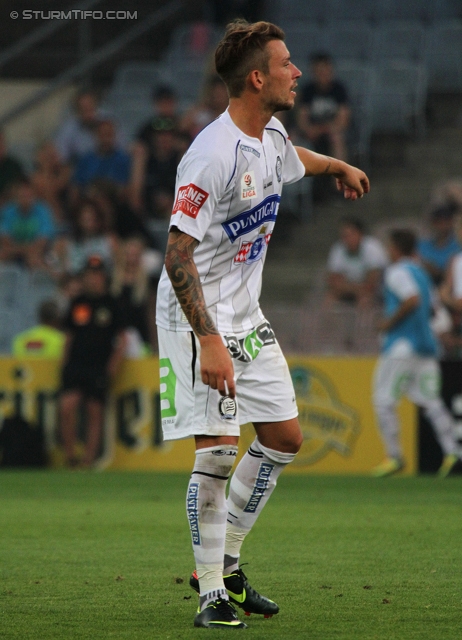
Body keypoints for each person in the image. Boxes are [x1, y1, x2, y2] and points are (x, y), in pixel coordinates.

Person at [156, 19, 369, 630]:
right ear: (257, 77)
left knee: (284, 439)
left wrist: (334, 166)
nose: (296, 71)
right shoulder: (210, 153)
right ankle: (211, 595)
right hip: (195, 319)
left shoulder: (269, 133)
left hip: (245, 316)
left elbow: (289, 158)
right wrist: (208, 341)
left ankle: (225, 564)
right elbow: (177, 254)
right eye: (285, 63)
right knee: (220, 453)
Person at [372, 229, 461, 479]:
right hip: (427, 347)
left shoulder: (397, 271)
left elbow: (412, 300)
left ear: (396, 248)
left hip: (402, 346)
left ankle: (394, 456)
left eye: (389, 247)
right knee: (430, 401)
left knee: (383, 399)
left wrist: (388, 323)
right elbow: (436, 312)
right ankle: (453, 452)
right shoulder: (422, 273)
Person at [59, 256, 127, 468]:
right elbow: (69, 335)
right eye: (89, 275)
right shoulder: (77, 303)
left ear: (103, 277)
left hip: (98, 365)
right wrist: (64, 362)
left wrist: (112, 366)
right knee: (66, 406)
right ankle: (71, 457)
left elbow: (122, 339)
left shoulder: (112, 303)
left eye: (96, 275)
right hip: (77, 364)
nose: (92, 279)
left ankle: (88, 460)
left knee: (94, 411)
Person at [325, 216, 388, 307]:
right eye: (343, 236)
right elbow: (333, 281)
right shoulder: (338, 248)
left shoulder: (373, 247)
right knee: (329, 299)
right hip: (353, 290)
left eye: (349, 235)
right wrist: (355, 289)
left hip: (376, 292)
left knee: (364, 300)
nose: (346, 239)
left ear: (360, 234)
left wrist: (347, 286)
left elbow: (372, 283)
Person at [0, 177, 55, 269]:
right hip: (14, 251)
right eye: (22, 195)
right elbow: (5, 241)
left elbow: (41, 243)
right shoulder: (7, 211)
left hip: (36, 252)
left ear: (33, 195)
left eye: (27, 195)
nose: (25, 198)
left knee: (34, 258)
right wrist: (23, 250)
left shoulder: (44, 211)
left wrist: (22, 250)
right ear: (16, 195)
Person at [72, 120, 131, 193]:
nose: (106, 139)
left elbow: (124, 189)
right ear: (95, 136)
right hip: (87, 199)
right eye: (102, 135)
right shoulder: (85, 160)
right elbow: (76, 186)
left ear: (114, 136)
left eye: (109, 135)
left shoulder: (123, 160)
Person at [417, 203, 461, 286]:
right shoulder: (422, 244)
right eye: (438, 221)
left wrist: (437, 272)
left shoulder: (458, 246)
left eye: (446, 221)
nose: (442, 225)